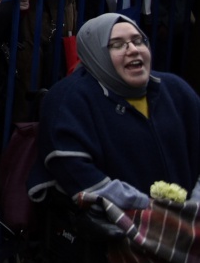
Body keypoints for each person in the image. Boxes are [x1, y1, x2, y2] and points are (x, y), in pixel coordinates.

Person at [30, 13, 200, 207]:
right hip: (114, 225)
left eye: (138, 41)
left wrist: (193, 209)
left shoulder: (176, 90)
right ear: (95, 53)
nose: (134, 50)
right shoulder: (68, 100)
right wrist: (147, 209)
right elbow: (74, 172)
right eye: (117, 45)